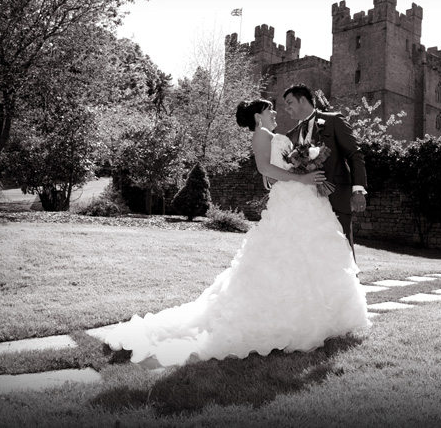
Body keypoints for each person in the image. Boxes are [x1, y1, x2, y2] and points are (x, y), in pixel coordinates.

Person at [103, 98, 370, 368]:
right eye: (270, 110)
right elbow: (265, 169)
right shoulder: (262, 134)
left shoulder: (276, 135)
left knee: (308, 251)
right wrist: (301, 176)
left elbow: (276, 171)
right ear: (258, 116)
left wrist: (305, 165)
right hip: (291, 199)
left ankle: (324, 315)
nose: (275, 112)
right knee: (285, 253)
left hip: (301, 198)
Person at [283, 84, 367, 260]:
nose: (286, 108)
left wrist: (358, 190)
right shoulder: (291, 135)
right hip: (306, 203)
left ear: (302, 100)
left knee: (342, 251)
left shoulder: (333, 121)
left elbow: (354, 154)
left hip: (336, 196)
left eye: (289, 102)